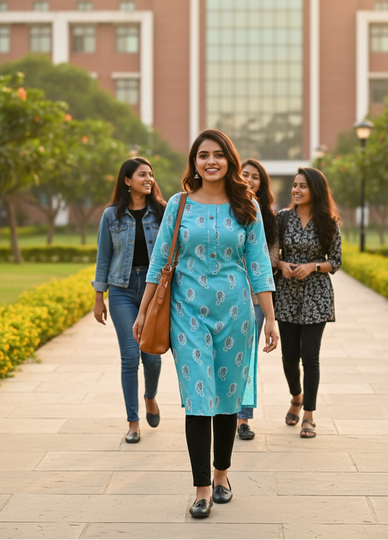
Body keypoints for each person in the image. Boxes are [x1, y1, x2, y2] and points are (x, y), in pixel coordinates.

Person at [133, 129, 279, 518]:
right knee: (199, 401)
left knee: (228, 398)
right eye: (202, 156)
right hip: (186, 314)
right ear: (194, 162)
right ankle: (200, 488)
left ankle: (221, 475)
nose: (210, 161)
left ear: (229, 160)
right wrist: (144, 311)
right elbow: (159, 262)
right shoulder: (179, 205)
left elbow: (259, 265)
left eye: (217, 155)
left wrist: (271, 318)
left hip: (235, 316)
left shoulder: (245, 205)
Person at [92, 157, 166, 444]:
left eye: (150, 174)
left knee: (153, 357)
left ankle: (150, 396)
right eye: (142, 175)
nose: (148, 179)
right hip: (121, 290)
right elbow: (103, 258)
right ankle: (133, 422)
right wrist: (99, 298)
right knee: (129, 357)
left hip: (153, 292)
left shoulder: (161, 213)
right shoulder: (111, 216)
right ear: (127, 180)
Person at [274, 167, 342, 438]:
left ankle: (309, 416)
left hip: (317, 296)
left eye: (302, 186)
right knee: (289, 357)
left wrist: (313, 266)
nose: (296, 190)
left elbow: (335, 260)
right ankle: (296, 397)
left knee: (310, 357)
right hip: (287, 294)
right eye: (294, 185)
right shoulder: (282, 218)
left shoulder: (328, 222)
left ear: (315, 190)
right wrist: (280, 263)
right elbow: (271, 251)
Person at [237, 159, 279, 440]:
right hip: (224, 295)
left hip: (253, 297)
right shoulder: (226, 208)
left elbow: (272, 257)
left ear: (262, 184)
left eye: (255, 177)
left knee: (247, 358)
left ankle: (242, 419)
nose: (249, 180)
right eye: (245, 175)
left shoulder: (269, 218)